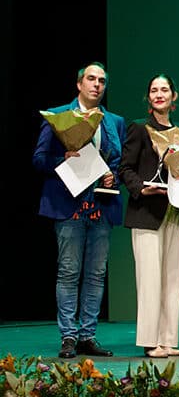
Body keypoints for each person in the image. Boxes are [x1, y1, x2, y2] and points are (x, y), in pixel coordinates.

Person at [33, 62, 125, 359]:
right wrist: (64, 158)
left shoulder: (114, 121)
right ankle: (68, 336)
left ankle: (88, 335)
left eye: (101, 81)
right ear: (79, 84)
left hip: (101, 206)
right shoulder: (59, 116)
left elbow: (120, 163)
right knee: (69, 272)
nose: (97, 85)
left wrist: (115, 176)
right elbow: (39, 159)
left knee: (96, 274)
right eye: (91, 79)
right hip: (69, 206)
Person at [119, 74, 179, 358]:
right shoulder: (139, 128)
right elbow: (124, 168)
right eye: (154, 90)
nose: (159, 94)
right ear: (148, 98)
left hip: (173, 211)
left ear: (174, 97)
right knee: (149, 279)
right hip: (146, 212)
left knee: (173, 278)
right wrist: (140, 188)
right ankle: (149, 340)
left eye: (165, 90)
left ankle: (168, 339)